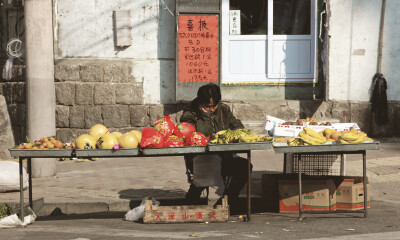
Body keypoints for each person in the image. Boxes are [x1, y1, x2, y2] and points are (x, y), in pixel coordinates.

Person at [180, 83, 252, 208]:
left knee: (245, 166)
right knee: (208, 168)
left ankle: (226, 202)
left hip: (225, 157)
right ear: (200, 102)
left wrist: (234, 135)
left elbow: (238, 127)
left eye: (214, 106)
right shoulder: (190, 114)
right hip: (199, 159)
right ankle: (191, 202)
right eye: (208, 107)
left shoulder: (223, 109)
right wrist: (206, 115)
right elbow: (191, 136)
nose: (212, 109)